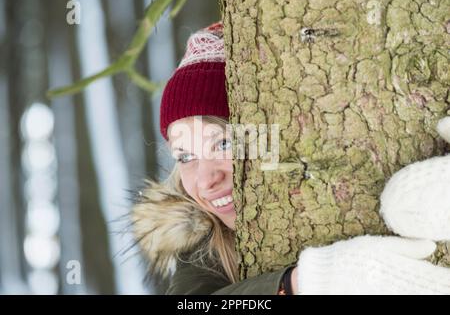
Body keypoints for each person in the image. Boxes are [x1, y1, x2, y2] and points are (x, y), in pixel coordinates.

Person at [131, 22, 450, 295]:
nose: (205, 180)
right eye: (185, 156)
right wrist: (301, 283)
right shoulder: (203, 246)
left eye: (224, 144)